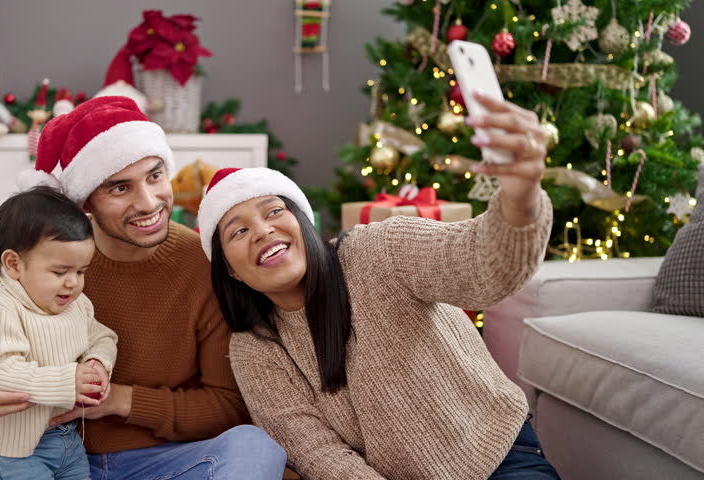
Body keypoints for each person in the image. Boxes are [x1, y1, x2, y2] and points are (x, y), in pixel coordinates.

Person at [0, 96, 287, 480]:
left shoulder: (201, 263)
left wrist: (119, 401)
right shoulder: (42, 255)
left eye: (155, 175)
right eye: (120, 188)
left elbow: (227, 406)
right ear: (86, 199)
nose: (149, 201)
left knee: (253, 449)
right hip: (37, 459)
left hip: (155, 464)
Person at [196, 93, 562, 479]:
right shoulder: (255, 348)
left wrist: (521, 200)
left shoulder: (379, 249)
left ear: (304, 222)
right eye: (238, 231)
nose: (263, 230)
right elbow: (318, 454)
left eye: (273, 211)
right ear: (231, 271)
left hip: (501, 455)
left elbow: (482, 266)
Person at [0, 186, 117, 480]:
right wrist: (67, 380)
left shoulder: (76, 305)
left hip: (64, 438)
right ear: (14, 265)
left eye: (81, 271)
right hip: (7, 450)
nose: (73, 283)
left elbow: (103, 337)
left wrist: (98, 363)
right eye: (60, 272)